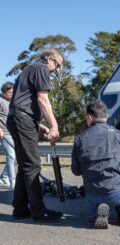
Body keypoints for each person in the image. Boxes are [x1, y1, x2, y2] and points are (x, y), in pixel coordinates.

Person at [71, 100, 120, 229]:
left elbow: (76, 171)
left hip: (91, 195)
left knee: (97, 187)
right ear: (106, 117)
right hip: (116, 194)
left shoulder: (80, 138)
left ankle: (97, 212)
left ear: (89, 117)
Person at [7, 48, 64, 221]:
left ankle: (20, 208)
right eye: (58, 64)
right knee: (33, 165)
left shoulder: (29, 70)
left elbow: (21, 102)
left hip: (18, 118)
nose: (57, 70)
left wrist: (39, 125)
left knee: (25, 166)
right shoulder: (41, 68)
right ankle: (39, 211)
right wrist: (54, 125)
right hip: (22, 119)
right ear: (49, 59)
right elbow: (42, 99)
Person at [0, 82, 16, 190]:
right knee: (11, 157)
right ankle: (13, 183)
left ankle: (4, 177)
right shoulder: (0, 101)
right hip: (5, 133)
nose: (12, 94)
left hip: (13, 133)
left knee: (16, 158)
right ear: (5, 92)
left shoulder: (12, 102)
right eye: (10, 92)